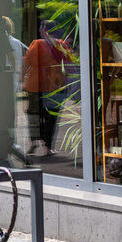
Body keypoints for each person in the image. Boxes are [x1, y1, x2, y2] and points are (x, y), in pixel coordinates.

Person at [23, 19, 74, 158]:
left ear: (43, 30)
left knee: (33, 114)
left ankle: (34, 142)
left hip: (35, 85)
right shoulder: (62, 45)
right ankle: (48, 147)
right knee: (52, 116)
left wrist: (21, 79)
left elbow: (26, 62)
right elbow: (69, 63)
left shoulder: (37, 44)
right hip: (55, 85)